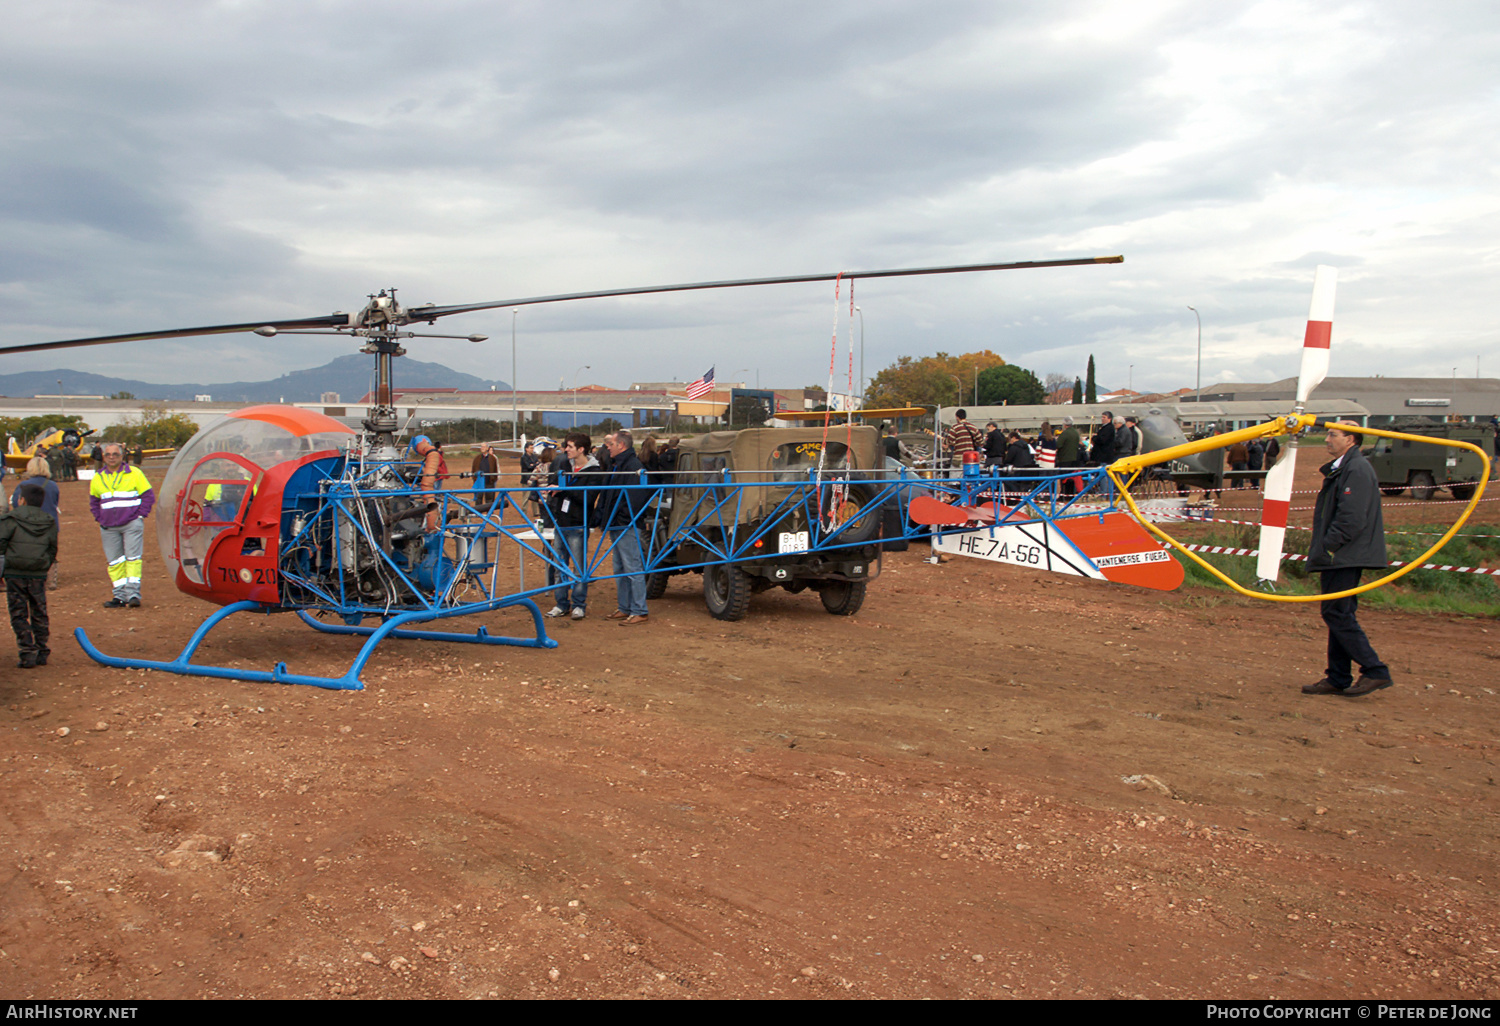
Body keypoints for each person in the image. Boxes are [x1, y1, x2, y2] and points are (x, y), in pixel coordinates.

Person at [1301, 423, 1392, 697]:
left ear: (1350, 439)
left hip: (1344, 555)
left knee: (1337, 613)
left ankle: (1375, 670)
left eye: (1333, 435)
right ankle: (1338, 676)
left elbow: (1352, 518)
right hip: (1343, 553)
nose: (1327, 439)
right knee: (1338, 613)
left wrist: (1328, 546)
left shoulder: (1356, 469)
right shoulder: (1346, 467)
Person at [545, 433, 601, 621]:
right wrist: (552, 492)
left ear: (581, 449)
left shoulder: (594, 471)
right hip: (561, 523)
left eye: (569, 446)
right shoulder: (564, 466)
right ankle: (561, 604)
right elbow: (560, 491)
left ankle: (578, 605)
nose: (565, 449)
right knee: (560, 565)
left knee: (578, 567)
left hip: (579, 524)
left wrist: (564, 489)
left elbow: (588, 498)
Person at [90, 443, 154, 608]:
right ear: (104, 457)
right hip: (108, 527)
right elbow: (94, 501)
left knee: (133, 559)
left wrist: (140, 516)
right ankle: (119, 596)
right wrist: (99, 518)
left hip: (131, 523)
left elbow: (148, 495)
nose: (112, 457)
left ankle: (133, 595)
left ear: (122, 456)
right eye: (108, 454)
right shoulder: (98, 477)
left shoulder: (134, 473)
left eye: (115, 454)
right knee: (115, 562)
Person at [0, 481, 57, 668]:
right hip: (38, 573)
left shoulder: (11, 519)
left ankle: (27, 651)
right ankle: (42, 650)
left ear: (21, 500)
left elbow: (2, 543)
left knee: (18, 613)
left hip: (14, 572)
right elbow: (52, 549)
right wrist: (44, 565)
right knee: (39, 610)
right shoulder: (49, 521)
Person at [602, 430, 649, 625]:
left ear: (621, 445)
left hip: (626, 525)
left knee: (632, 567)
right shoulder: (619, 465)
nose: (608, 448)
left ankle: (639, 609)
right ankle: (625, 607)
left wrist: (621, 519)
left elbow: (634, 499)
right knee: (620, 567)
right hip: (617, 523)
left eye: (611, 444)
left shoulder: (633, 466)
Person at [13, 457, 61, 590]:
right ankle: (51, 579)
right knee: (49, 551)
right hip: (49, 523)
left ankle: (32, 578)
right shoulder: (53, 485)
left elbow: (16, 505)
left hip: (28, 523)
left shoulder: (22, 486)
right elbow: (55, 502)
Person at [408, 435, 447, 532]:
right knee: (433, 497)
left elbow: (437, 466)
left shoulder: (436, 455)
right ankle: (431, 522)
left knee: (433, 498)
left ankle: (430, 523)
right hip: (434, 478)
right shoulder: (438, 454)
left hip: (434, 478)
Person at [470, 442, 499, 511]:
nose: (482, 448)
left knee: (489, 498)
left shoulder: (492, 459)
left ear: (487, 448)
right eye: (481, 447)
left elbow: (495, 470)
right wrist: (475, 479)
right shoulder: (477, 459)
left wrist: (493, 479)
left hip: (489, 482)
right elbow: (473, 470)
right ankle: (478, 512)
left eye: (483, 447)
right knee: (478, 498)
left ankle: (489, 512)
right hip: (479, 482)